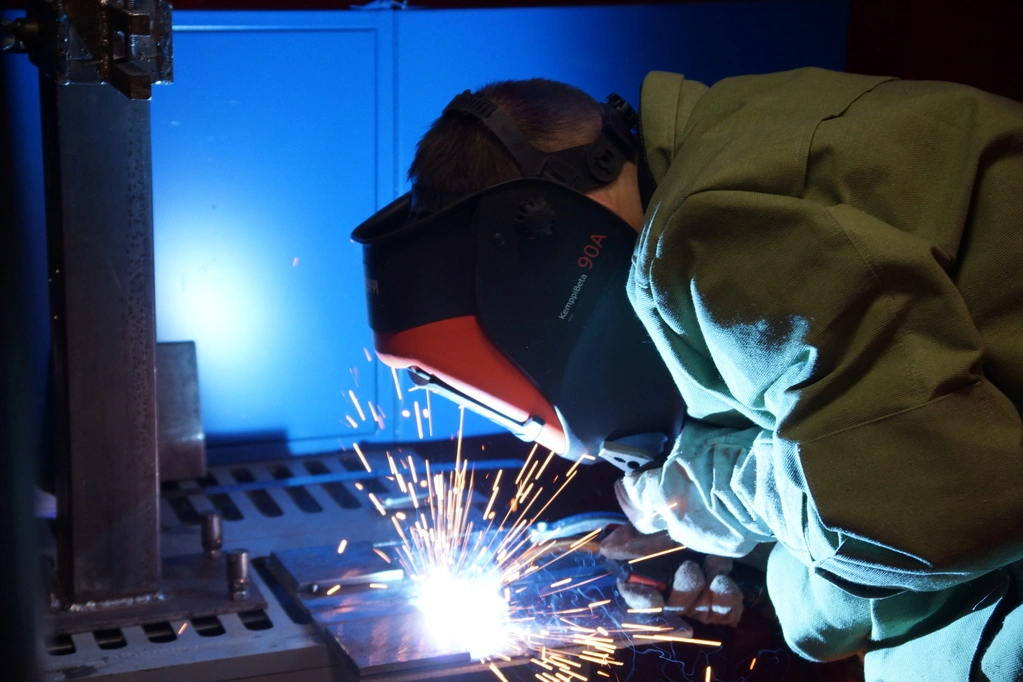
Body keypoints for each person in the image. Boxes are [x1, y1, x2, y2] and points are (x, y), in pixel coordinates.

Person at [354, 69, 1023, 680]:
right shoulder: (729, 144)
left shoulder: (701, 234)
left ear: (550, 244)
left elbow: (942, 505)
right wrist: (761, 548)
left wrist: (723, 499)